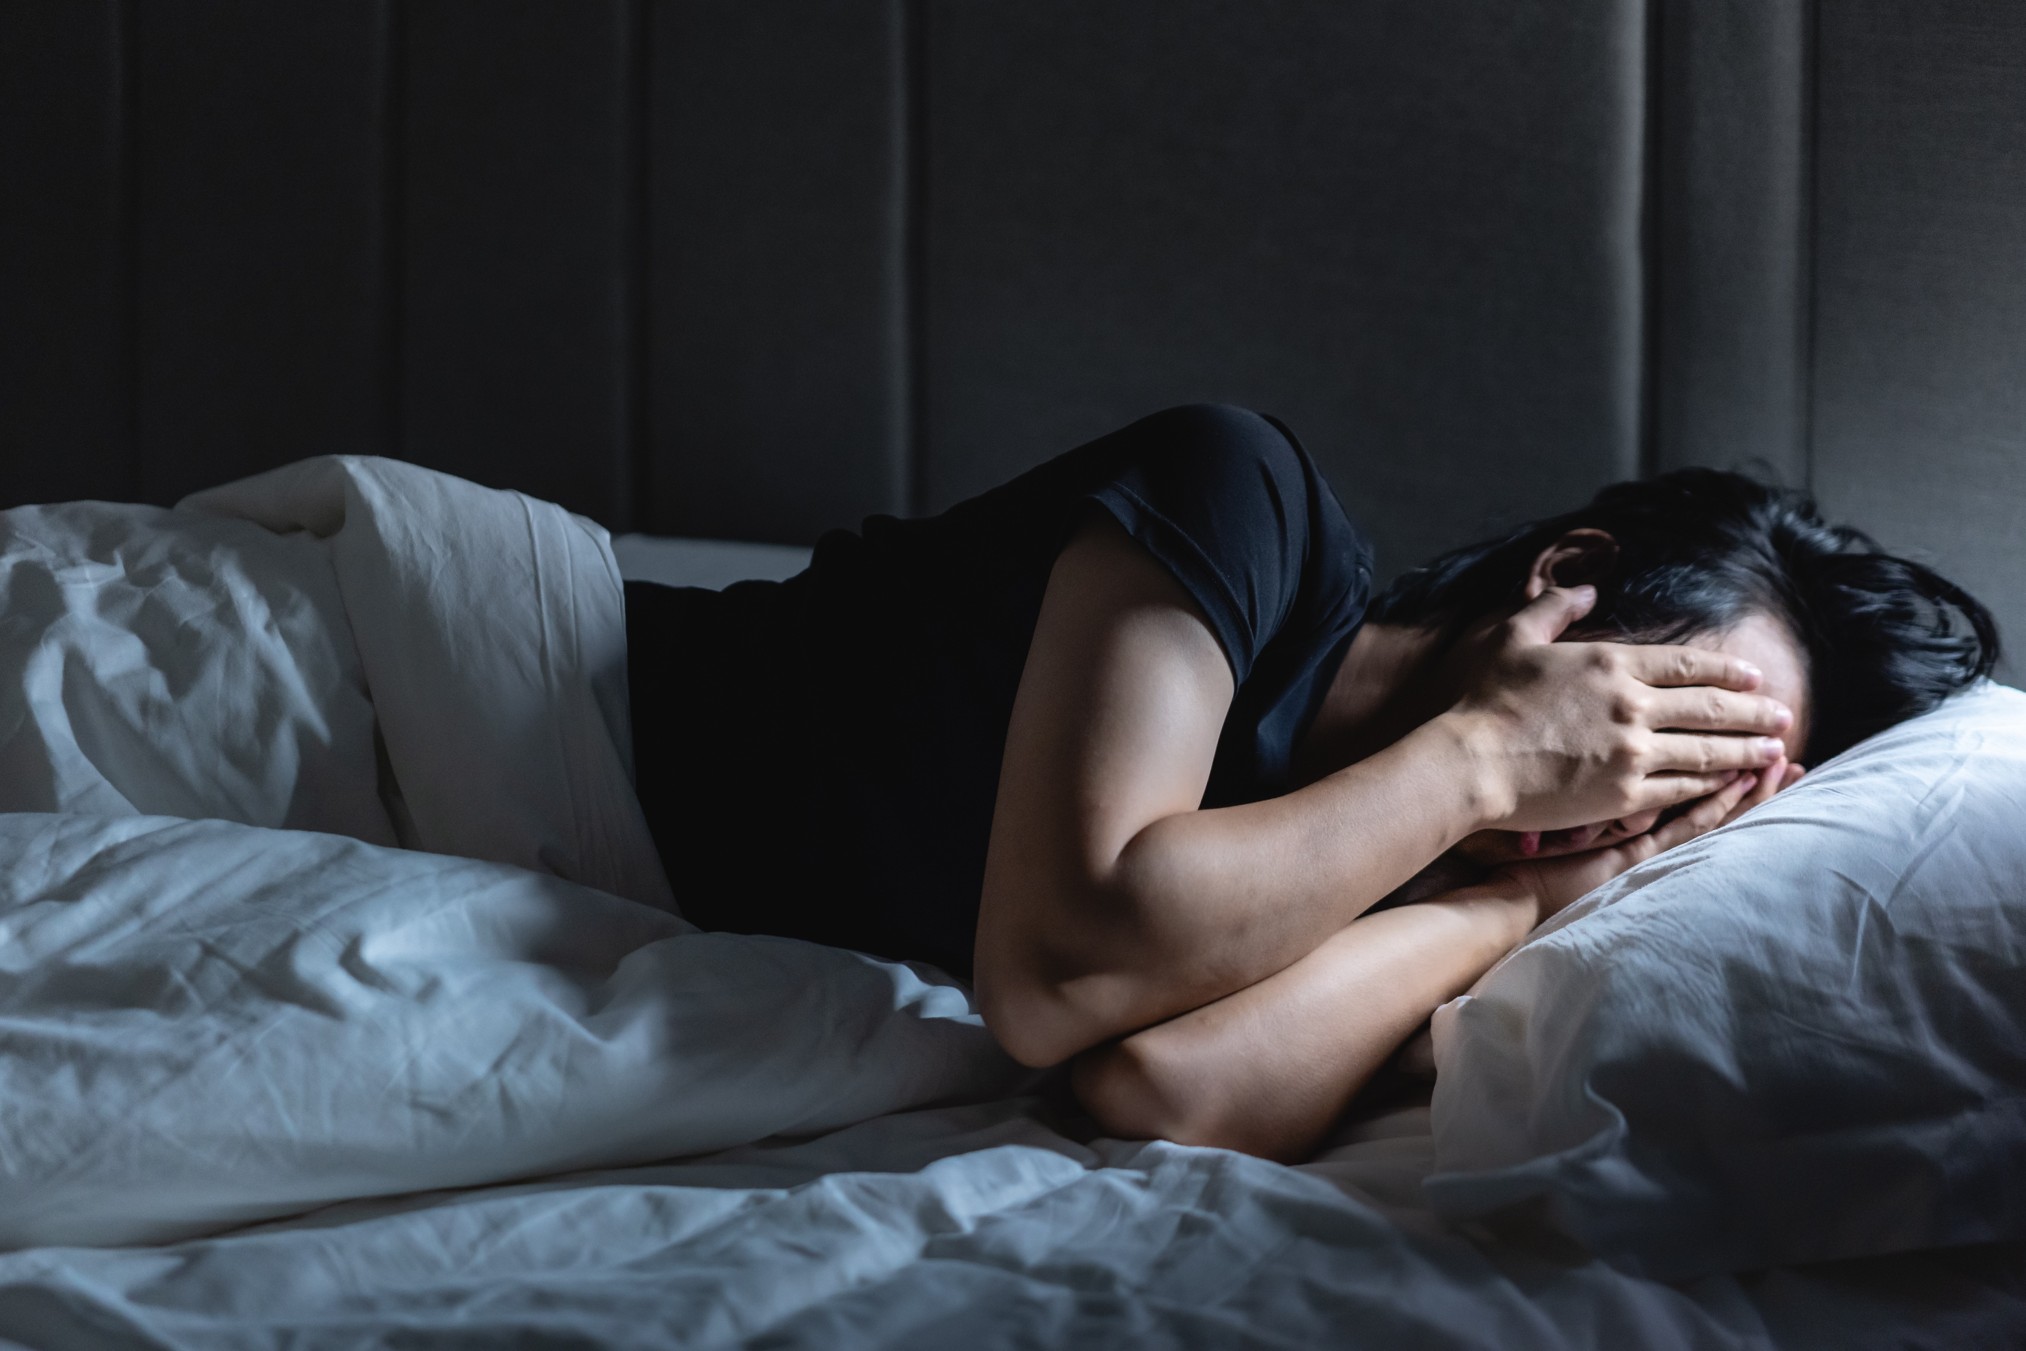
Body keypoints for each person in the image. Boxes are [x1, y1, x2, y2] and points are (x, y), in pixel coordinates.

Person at [623, 404, 1997, 1162]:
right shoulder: (1241, 499)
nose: (1627, 797)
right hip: (515, 703)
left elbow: (1161, 1091)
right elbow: (1058, 971)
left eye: (1691, 794)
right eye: (1655, 722)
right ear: (1565, 586)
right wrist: (1481, 757)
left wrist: (1508, 911)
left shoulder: (1432, 862)